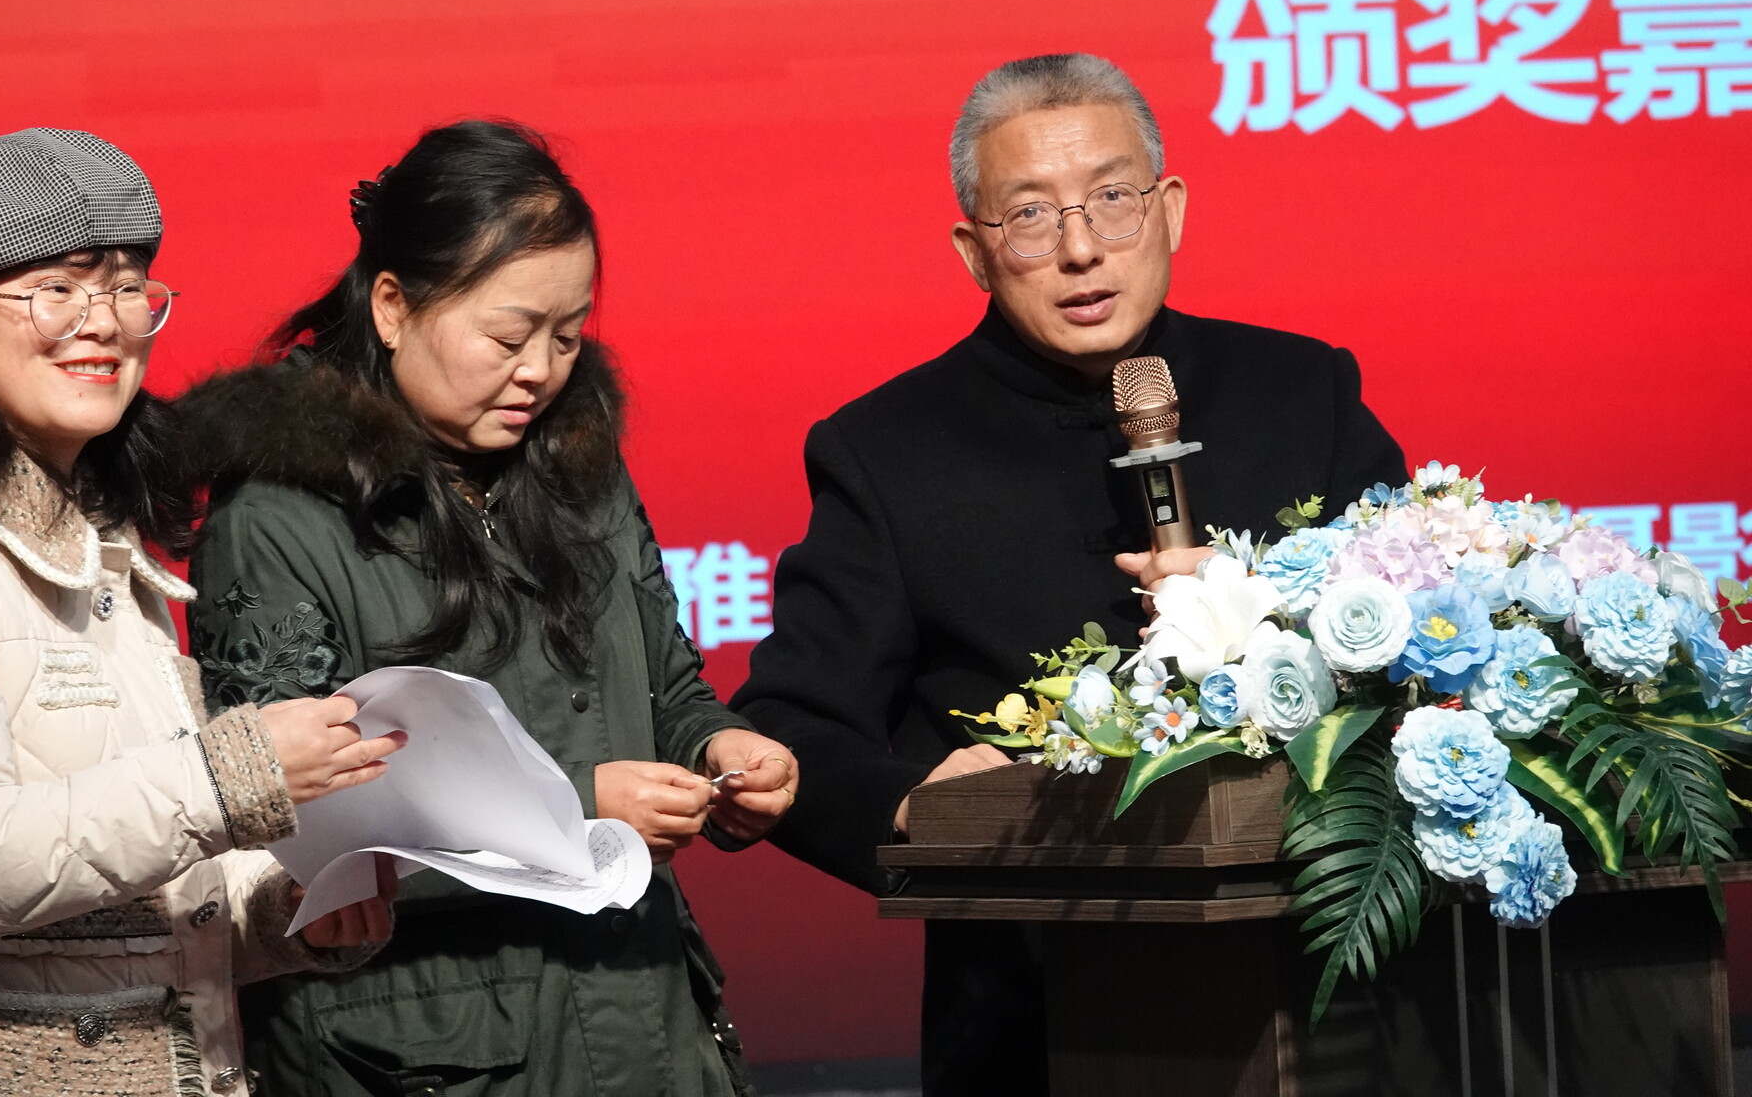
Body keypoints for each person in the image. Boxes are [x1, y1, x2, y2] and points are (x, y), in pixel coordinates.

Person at [731, 54, 1408, 1096]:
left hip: (1328, 988)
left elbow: (1426, 644)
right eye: (1031, 217)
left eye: (1112, 199)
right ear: (974, 252)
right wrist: (914, 803)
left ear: (1170, 210)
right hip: (1034, 1015)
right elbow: (790, 724)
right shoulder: (888, 451)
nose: (1082, 249)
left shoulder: (1301, 389)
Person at [181, 119, 798, 1097]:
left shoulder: (579, 468)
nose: (542, 370)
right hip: (424, 1047)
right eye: (509, 337)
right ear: (392, 306)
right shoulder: (277, 515)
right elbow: (292, 833)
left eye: (568, 335)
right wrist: (576, 809)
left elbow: (665, 686)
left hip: (644, 1017)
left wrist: (720, 748)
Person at [0, 129, 403, 1097]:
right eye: (56, 288)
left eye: (128, 287)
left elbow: (135, 895)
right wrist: (236, 774)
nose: (101, 322)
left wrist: (288, 910)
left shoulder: (106, 543)